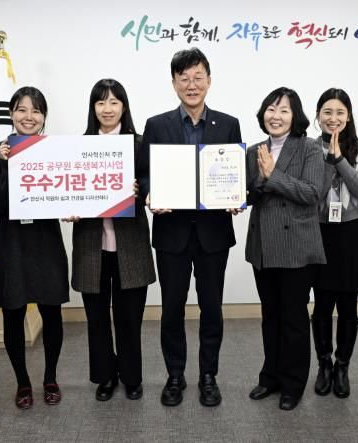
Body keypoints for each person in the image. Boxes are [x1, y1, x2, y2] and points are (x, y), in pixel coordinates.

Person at [136, 48, 242, 407]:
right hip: (172, 233)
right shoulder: (156, 125)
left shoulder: (228, 124)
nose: (191, 85)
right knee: (172, 309)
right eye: (184, 78)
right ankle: (175, 375)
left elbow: (235, 174)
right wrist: (150, 194)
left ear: (209, 81)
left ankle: (208, 376)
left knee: (212, 309)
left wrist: (236, 195)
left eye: (198, 77)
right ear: (174, 83)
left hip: (213, 233)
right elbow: (144, 174)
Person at [69, 79, 156, 401]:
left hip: (129, 244)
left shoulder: (140, 144)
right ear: (93, 108)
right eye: (101, 102)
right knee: (96, 319)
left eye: (114, 102)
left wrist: (141, 190)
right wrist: (68, 204)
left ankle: (131, 376)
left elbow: (154, 184)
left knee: (129, 318)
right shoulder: (78, 146)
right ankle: (105, 376)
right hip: (91, 244)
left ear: (124, 107)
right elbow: (67, 186)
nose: (107, 109)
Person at [0, 87, 69, 410]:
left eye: (36, 110)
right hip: (11, 243)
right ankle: (22, 381)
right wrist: (7, 164)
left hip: (46, 241)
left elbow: (69, 192)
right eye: (21, 109)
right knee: (13, 314)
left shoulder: (56, 151)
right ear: (11, 114)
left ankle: (50, 377)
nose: (29, 117)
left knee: (52, 312)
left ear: (44, 116)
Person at [245, 87, 325, 411]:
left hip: (296, 246)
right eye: (271, 109)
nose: (275, 116)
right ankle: (271, 377)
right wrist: (239, 194)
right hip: (263, 245)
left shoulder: (309, 148)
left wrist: (272, 175)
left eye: (284, 110)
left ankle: (293, 383)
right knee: (270, 315)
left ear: (295, 116)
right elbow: (250, 194)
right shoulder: (254, 150)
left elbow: (312, 193)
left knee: (293, 317)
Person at [311, 88, 358, 399]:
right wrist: (327, 158)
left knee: (348, 306)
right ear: (318, 116)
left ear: (348, 116)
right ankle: (323, 364)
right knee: (322, 304)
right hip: (320, 232)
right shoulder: (309, 148)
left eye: (339, 112)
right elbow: (314, 192)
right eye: (327, 112)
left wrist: (338, 158)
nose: (333, 118)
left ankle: (342, 366)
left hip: (352, 233)